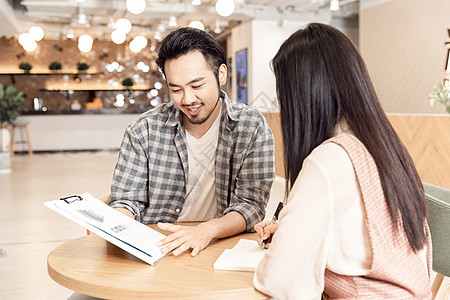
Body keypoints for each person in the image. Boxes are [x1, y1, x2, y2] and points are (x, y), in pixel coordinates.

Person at [253, 23, 431, 299]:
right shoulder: (382, 145)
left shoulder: (329, 160)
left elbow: (279, 281)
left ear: (303, 97)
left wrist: (287, 245)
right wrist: (292, 233)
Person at [109, 27, 275, 257]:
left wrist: (207, 230)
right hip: (159, 249)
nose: (188, 100)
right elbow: (126, 200)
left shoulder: (251, 127)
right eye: (176, 89)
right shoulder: (143, 130)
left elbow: (251, 206)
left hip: (218, 246)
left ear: (221, 75)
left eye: (197, 86)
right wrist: (119, 220)